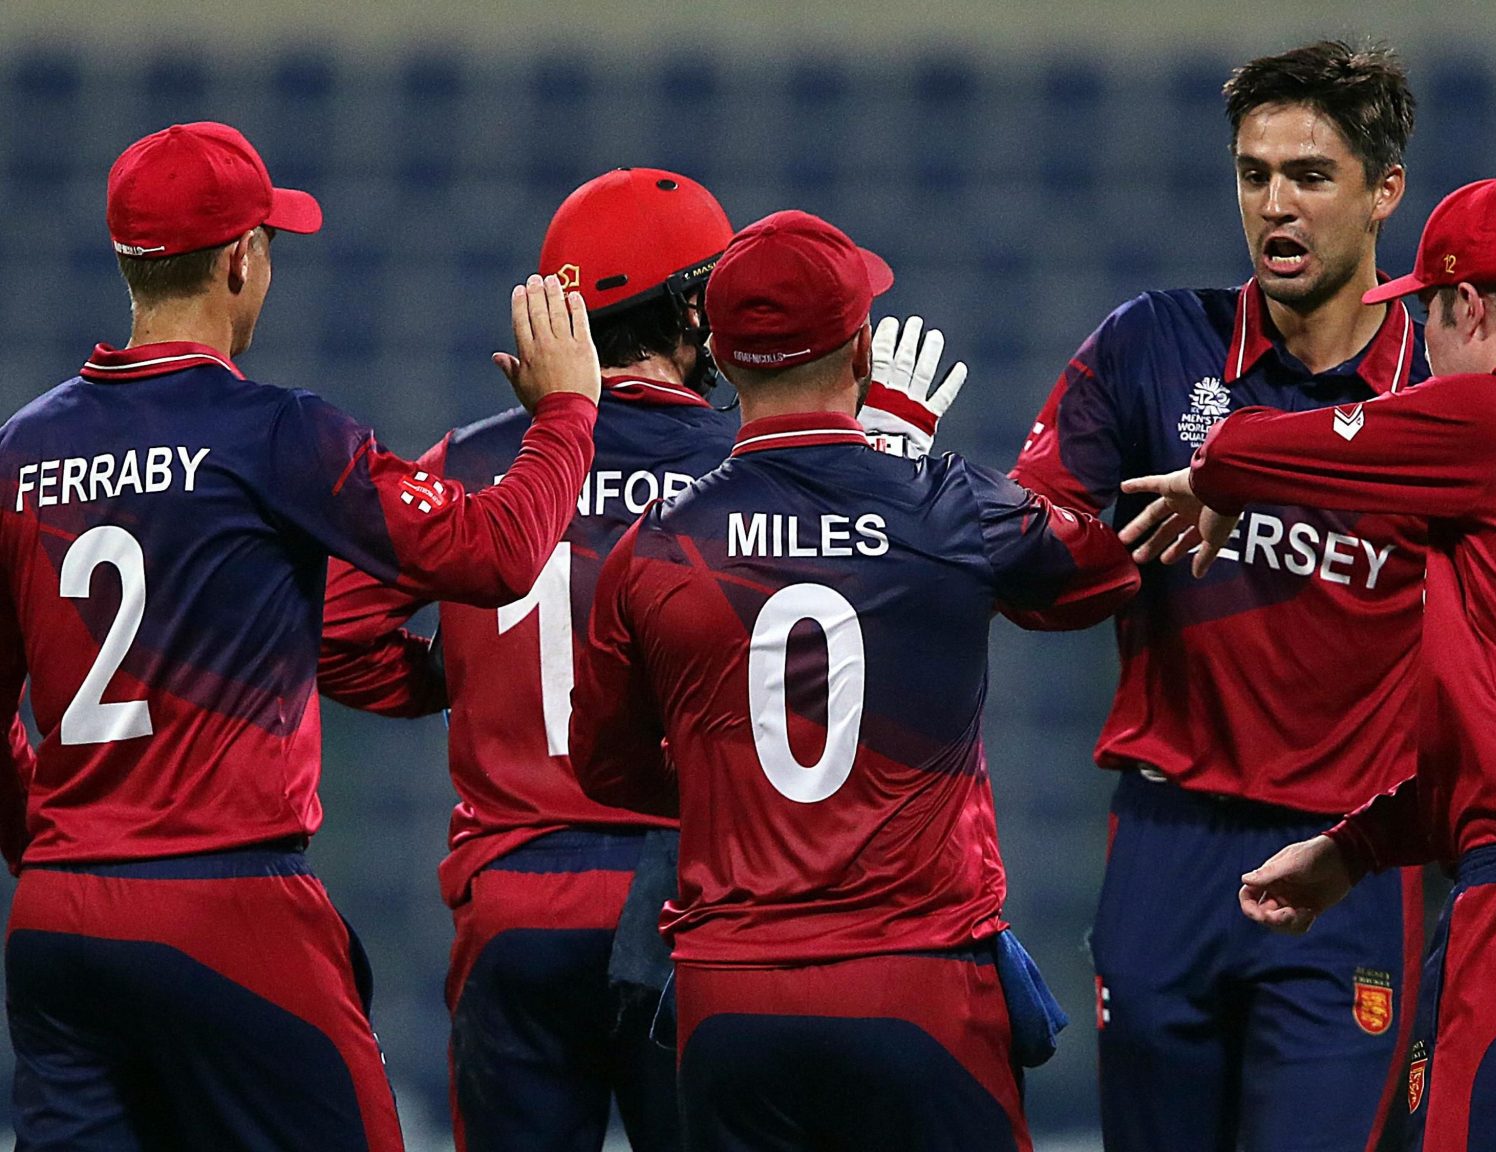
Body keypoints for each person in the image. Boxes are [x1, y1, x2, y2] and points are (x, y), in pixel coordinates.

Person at [318, 167, 972, 1152]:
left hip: (517, 901)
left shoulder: (472, 462)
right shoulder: (746, 472)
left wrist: (463, 681)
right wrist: (880, 471)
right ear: (697, 312)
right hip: (689, 908)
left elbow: (334, 633)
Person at [0, 121, 600, 1150]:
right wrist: (566, 417)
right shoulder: (275, 433)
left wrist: (59, 852)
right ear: (240, 259)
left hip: (60, 925)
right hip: (228, 902)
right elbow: (497, 555)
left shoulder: (20, 451)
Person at [1123, 174, 1496, 1152]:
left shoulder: (1491, 419)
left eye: (1424, 316)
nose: (1420, 349)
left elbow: (1271, 447)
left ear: (1466, 306)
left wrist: (1215, 469)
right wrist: (1352, 851)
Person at [569, 209, 1139, 1152]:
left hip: (731, 995)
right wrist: (904, 463)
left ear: (721, 356)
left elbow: (604, 765)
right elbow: (1102, 575)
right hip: (918, 981)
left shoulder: (654, 546)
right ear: (866, 351)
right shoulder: (952, 506)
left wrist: (728, 786)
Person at [1009, 40, 1428, 1151]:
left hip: (1350, 854)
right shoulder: (1152, 345)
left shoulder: (1440, 394)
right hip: (1169, 844)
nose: (1275, 205)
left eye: (1310, 175)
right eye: (1254, 175)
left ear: (1385, 191)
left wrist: (1261, 481)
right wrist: (1102, 550)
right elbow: (1031, 552)